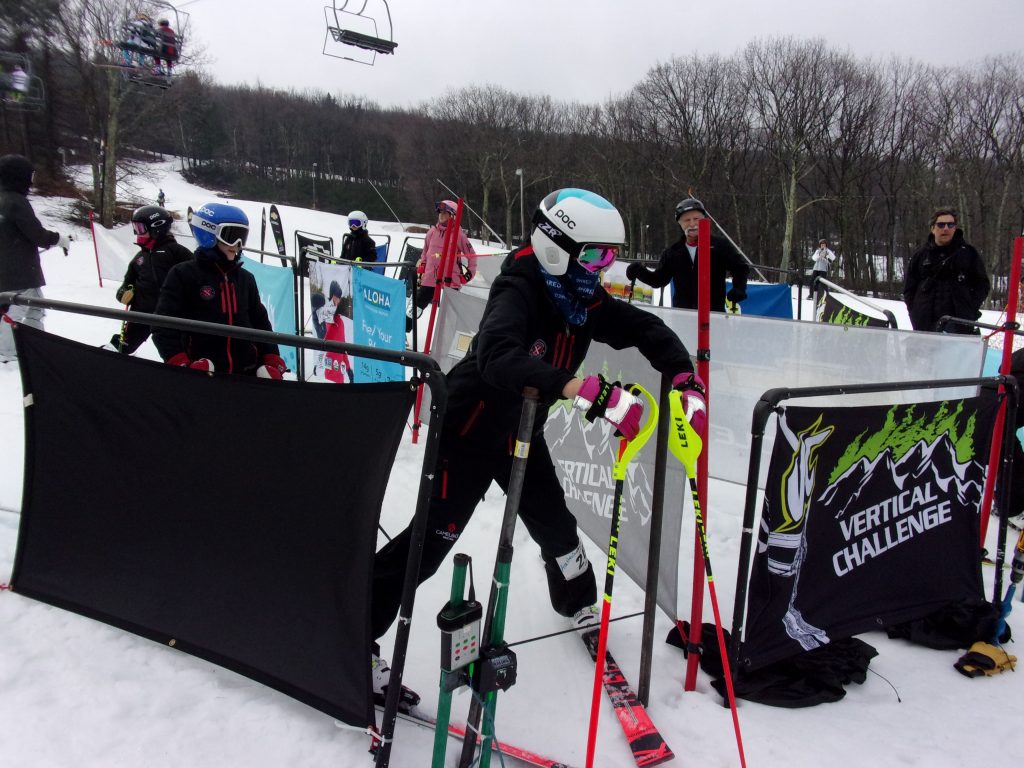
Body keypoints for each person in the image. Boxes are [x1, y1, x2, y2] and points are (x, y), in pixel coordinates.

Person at [370, 188, 707, 705]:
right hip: (469, 431)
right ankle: (356, 632)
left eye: (611, 254)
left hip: (521, 432)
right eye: (595, 254)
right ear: (557, 244)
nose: (604, 266)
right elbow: (497, 358)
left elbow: (643, 327)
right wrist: (582, 388)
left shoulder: (582, 295)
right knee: (431, 544)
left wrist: (685, 378)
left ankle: (577, 603)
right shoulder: (519, 287)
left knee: (557, 528)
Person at [153, 202, 286, 377]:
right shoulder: (183, 274)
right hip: (203, 372)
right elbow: (163, 324)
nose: (237, 245)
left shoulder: (246, 279)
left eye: (242, 237)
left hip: (245, 373)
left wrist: (271, 356)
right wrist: (180, 361)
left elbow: (260, 322)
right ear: (209, 234)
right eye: (231, 235)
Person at [0, 154, 70, 364]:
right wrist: (59, 239)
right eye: (30, 176)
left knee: (35, 308)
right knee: (17, 308)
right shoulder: (15, 201)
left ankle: (33, 345)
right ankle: (8, 354)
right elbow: (36, 234)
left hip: (13, 270)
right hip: (18, 273)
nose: (32, 181)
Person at [626, 197, 749, 312]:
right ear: (680, 224)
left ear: (704, 220)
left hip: (713, 315)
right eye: (686, 220)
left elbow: (740, 267)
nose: (692, 224)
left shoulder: (719, 246)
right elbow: (659, 280)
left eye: (696, 219)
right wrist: (639, 271)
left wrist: (739, 288)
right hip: (683, 315)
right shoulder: (673, 252)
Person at [108, 205, 192, 354]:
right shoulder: (140, 258)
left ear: (157, 228)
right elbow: (128, 283)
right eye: (135, 228)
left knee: (175, 350)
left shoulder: (177, 253)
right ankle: (110, 358)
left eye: (140, 228)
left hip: (170, 315)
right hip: (142, 313)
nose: (137, 233)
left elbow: (196, 278)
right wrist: (123, 294)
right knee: (124, 346)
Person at [902, 208, 989, 334]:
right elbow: (909, 289)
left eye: (950, 224)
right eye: (941, 225)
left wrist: (969, 307)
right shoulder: (920, 255)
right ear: (932, 228)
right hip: (925, 324)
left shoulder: (968, 254)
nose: (946, 228)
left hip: (959, 323)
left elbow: (983, 285)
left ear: (955, 228)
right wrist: (915, 311)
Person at [410, 199, 477, 320]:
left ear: (453, 215)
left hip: (450, 279)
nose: (441, 215)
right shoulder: (432, 232)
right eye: (440, 212)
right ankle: (403, 329)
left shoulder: (459, 235)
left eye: (445, 213)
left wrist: (468, 275)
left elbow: (472, 256)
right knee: (417, 306)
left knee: (450, 314)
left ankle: (448, 337)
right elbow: (425, 252)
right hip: (431, 277)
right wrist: (423, 266)